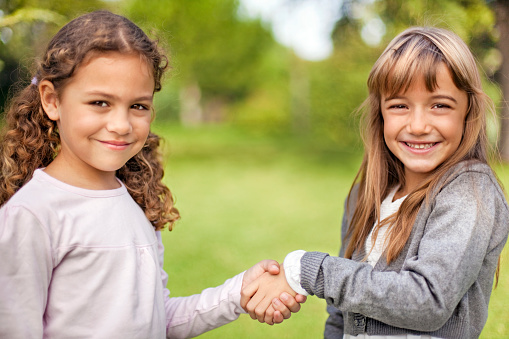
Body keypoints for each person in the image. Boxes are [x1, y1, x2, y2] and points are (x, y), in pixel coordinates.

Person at [0, 10, 305, 339]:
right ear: (51, 100)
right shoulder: (30, 216)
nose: (121, 125)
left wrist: (238, 292)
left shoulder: (136, 202)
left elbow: (159, 320)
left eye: (138, 106)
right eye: (100, 102)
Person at [241, 26, 509, 338]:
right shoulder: (366, 194)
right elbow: (342, 314)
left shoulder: (469, 193)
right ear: (380, 113)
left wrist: (308, 270)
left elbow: (427, 301)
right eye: (399, 105)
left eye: (440, 105)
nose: (418, 125)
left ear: (468, 112)